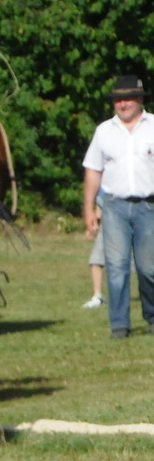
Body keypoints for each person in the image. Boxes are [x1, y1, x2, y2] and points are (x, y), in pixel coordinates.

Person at [82, 75, 154, 338]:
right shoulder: (104, 131)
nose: (122, 104)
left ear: (140, 99)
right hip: (114, 207)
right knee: (116, 266)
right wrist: (89, 209)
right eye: (117, 100)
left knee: (149, 268)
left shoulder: (153, 126)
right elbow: (93, 171)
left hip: (149, 206)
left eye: (128, 99)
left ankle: (152, 315)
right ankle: (120, 324)